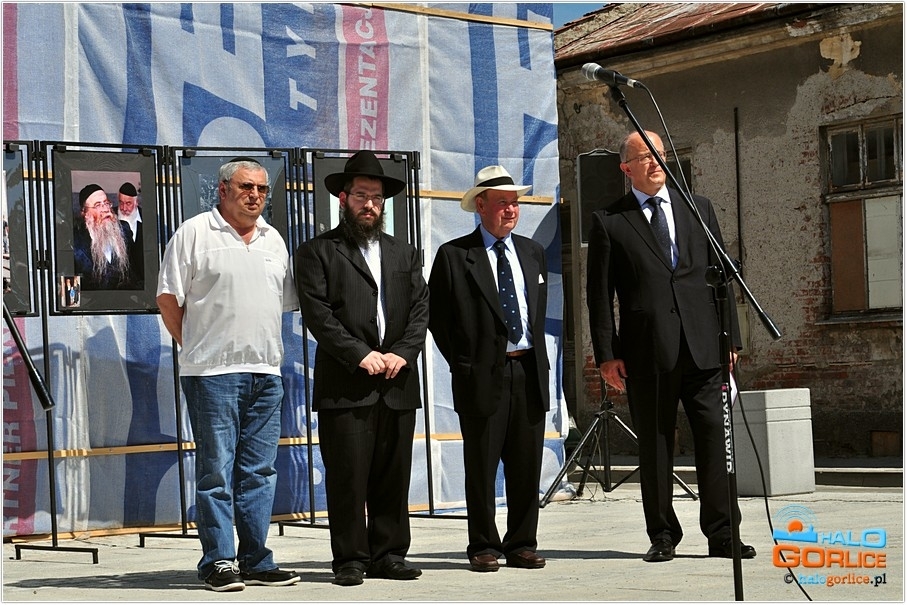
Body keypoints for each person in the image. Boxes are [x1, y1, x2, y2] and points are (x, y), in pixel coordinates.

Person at [586, 130, 755, 563]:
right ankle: (662, 535)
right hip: (647, 351)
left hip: (705, 347)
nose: (655, 162)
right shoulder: (610, 221)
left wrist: (731, 338)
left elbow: (721, 277)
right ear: (626, 169)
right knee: (656, 445)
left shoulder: (699, 208)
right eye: (644, 157)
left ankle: (723, 534)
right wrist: (607, 354)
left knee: (716, 442)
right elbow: (599, 295)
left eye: (659, 154)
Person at [156, 158, 300, 592]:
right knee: (216, 471)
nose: (255, 195)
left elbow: (281, 303)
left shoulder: (274, 240)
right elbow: (168, 298)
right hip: (212, 374)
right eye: (245, 187)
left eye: (261, 189)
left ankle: (255, 559)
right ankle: (218, 560)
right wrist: (194, 347)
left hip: (266, 373)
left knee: (260, 472)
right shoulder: (195, 233)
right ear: (222, 189)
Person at [295, 150, 429, 587]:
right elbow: (318, 315)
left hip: (397, 381)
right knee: (348, 476)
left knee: (393, 475)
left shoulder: (404, 253)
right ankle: (350, 558)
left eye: (375, 197)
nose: (368, 204)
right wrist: (358, 353)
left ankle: (389, 554)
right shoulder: (318, 251)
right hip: (346, 383)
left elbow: (420, 310)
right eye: (360, 196)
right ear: (343, 198)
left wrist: (403, 352)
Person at [428, 165, 549, 573]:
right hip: (480, 376)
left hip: (528, 372)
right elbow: (438, 319)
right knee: (481, 465)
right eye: (502, 203)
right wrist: (465, 362)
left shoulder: (532, 252)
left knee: (526, 465)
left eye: (514, 203)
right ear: (480, 206)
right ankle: (482, 543)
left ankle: (522, 543)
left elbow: (537, 313)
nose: (511, 210)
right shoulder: (454, 256)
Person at [73, 184, 137, 290]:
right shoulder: (75, 243)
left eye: (106, 203)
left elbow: (136, 272)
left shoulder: (124, 230)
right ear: (85, 213)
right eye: (98, 205)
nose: (106, 209)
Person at [117, 181, 144, 284]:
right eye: (121, 203)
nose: (124, 208)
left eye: (128, 203)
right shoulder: (110, 218)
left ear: (136, 202)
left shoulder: (147, 217)